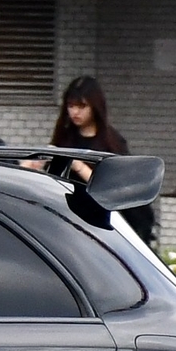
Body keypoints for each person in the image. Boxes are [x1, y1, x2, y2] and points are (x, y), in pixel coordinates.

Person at [45, 74, 156, 245]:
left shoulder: (112, 143)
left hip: (103, 226)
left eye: (81, 106)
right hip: (68, 222)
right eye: (71, 106)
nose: (75, 112)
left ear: (94, 107)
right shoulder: (64, 139)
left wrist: (79, 166)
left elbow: (115, 190)